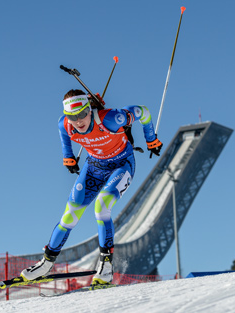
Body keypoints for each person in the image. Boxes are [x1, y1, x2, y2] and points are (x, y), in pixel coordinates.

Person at [21, 89, 163, 286]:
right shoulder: (65, 124)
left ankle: (105, 267)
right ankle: (45, 264)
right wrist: (68, 157)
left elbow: (144, 112)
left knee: (101, 207)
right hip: (94, 167)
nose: (78, 121)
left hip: (121, 165)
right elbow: (64, 137)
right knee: (69, 215)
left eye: (81, 114)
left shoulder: (112, 118)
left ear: (89, 109)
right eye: (73, 117)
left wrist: (151, 139)